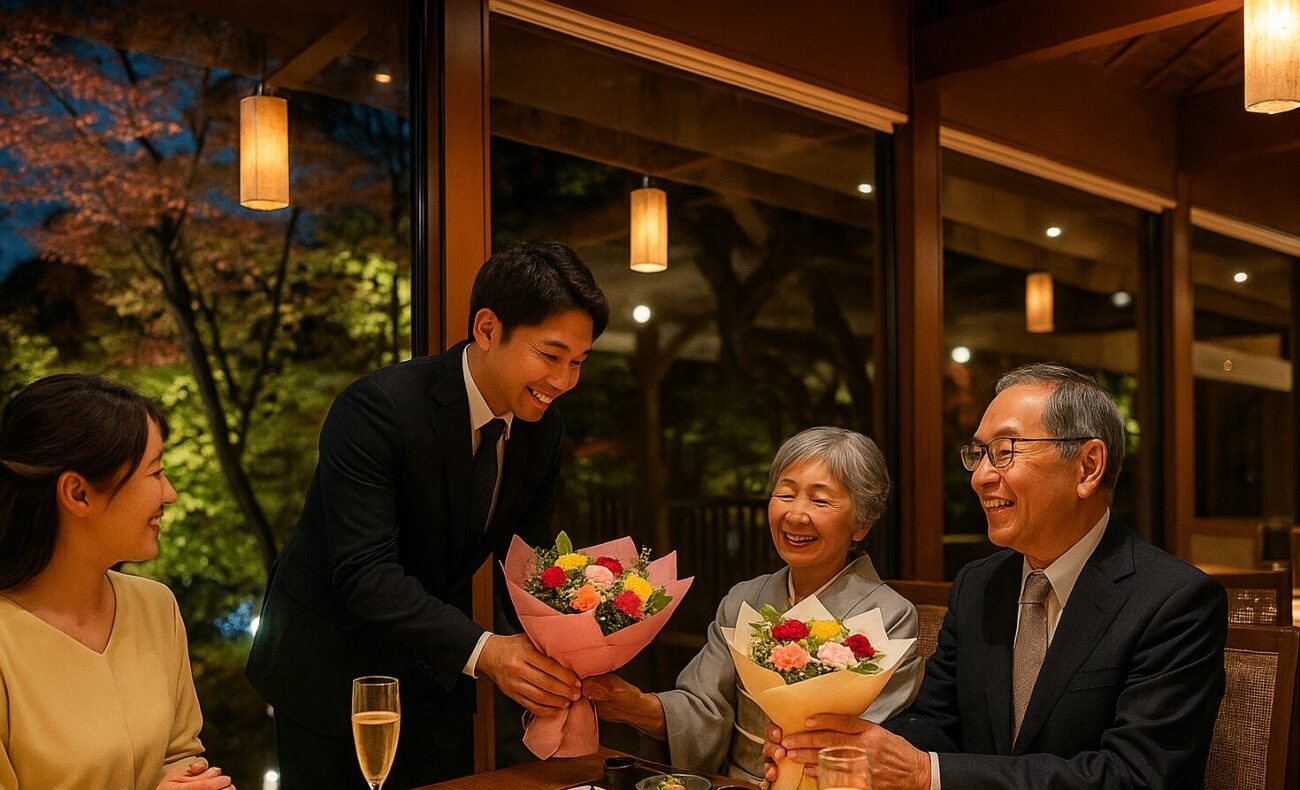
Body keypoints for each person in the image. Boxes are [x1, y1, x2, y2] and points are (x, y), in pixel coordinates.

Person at [246, 241, 609, 788]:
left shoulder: (543, 429)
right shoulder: (377, 410)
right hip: (331, 666)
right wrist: (487, 653)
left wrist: (573, 647)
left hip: (435, 666)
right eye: (550, 356)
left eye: (578, 363)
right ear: (487, 329)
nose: (563, 381)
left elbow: (527, 560)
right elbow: (365, 572)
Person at [764, 364, 1227, 789]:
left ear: (1087, 467)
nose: (980, 477)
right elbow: (936, 722)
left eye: (1004, 452)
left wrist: (926, 772)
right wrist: (833, 747)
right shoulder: (980, 585)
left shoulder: (1173, 601)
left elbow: (1135, 776)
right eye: (979, 454)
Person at [583, 427, 919, 784]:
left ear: (862, 524)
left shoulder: (889, 618)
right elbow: (704, 708)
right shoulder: (745, 599)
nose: (796, 515)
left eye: (820, 501)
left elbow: (869, 750)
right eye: (786, 494)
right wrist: (635, 705)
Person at [0, 374, 234, 790]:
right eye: (155, 472)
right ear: (78, 494)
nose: (170, 493)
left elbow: (181, 756)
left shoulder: (155, 606)